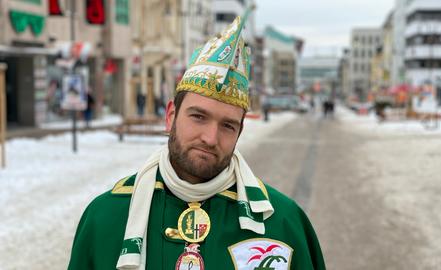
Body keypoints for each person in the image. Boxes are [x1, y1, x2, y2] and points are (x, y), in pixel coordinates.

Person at [68, 8, 325, 270]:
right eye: (198, 117)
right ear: (171, 116)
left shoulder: (283, 223)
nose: (210, 138)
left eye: (227, 125)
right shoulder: (107, 217)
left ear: (239, 131)